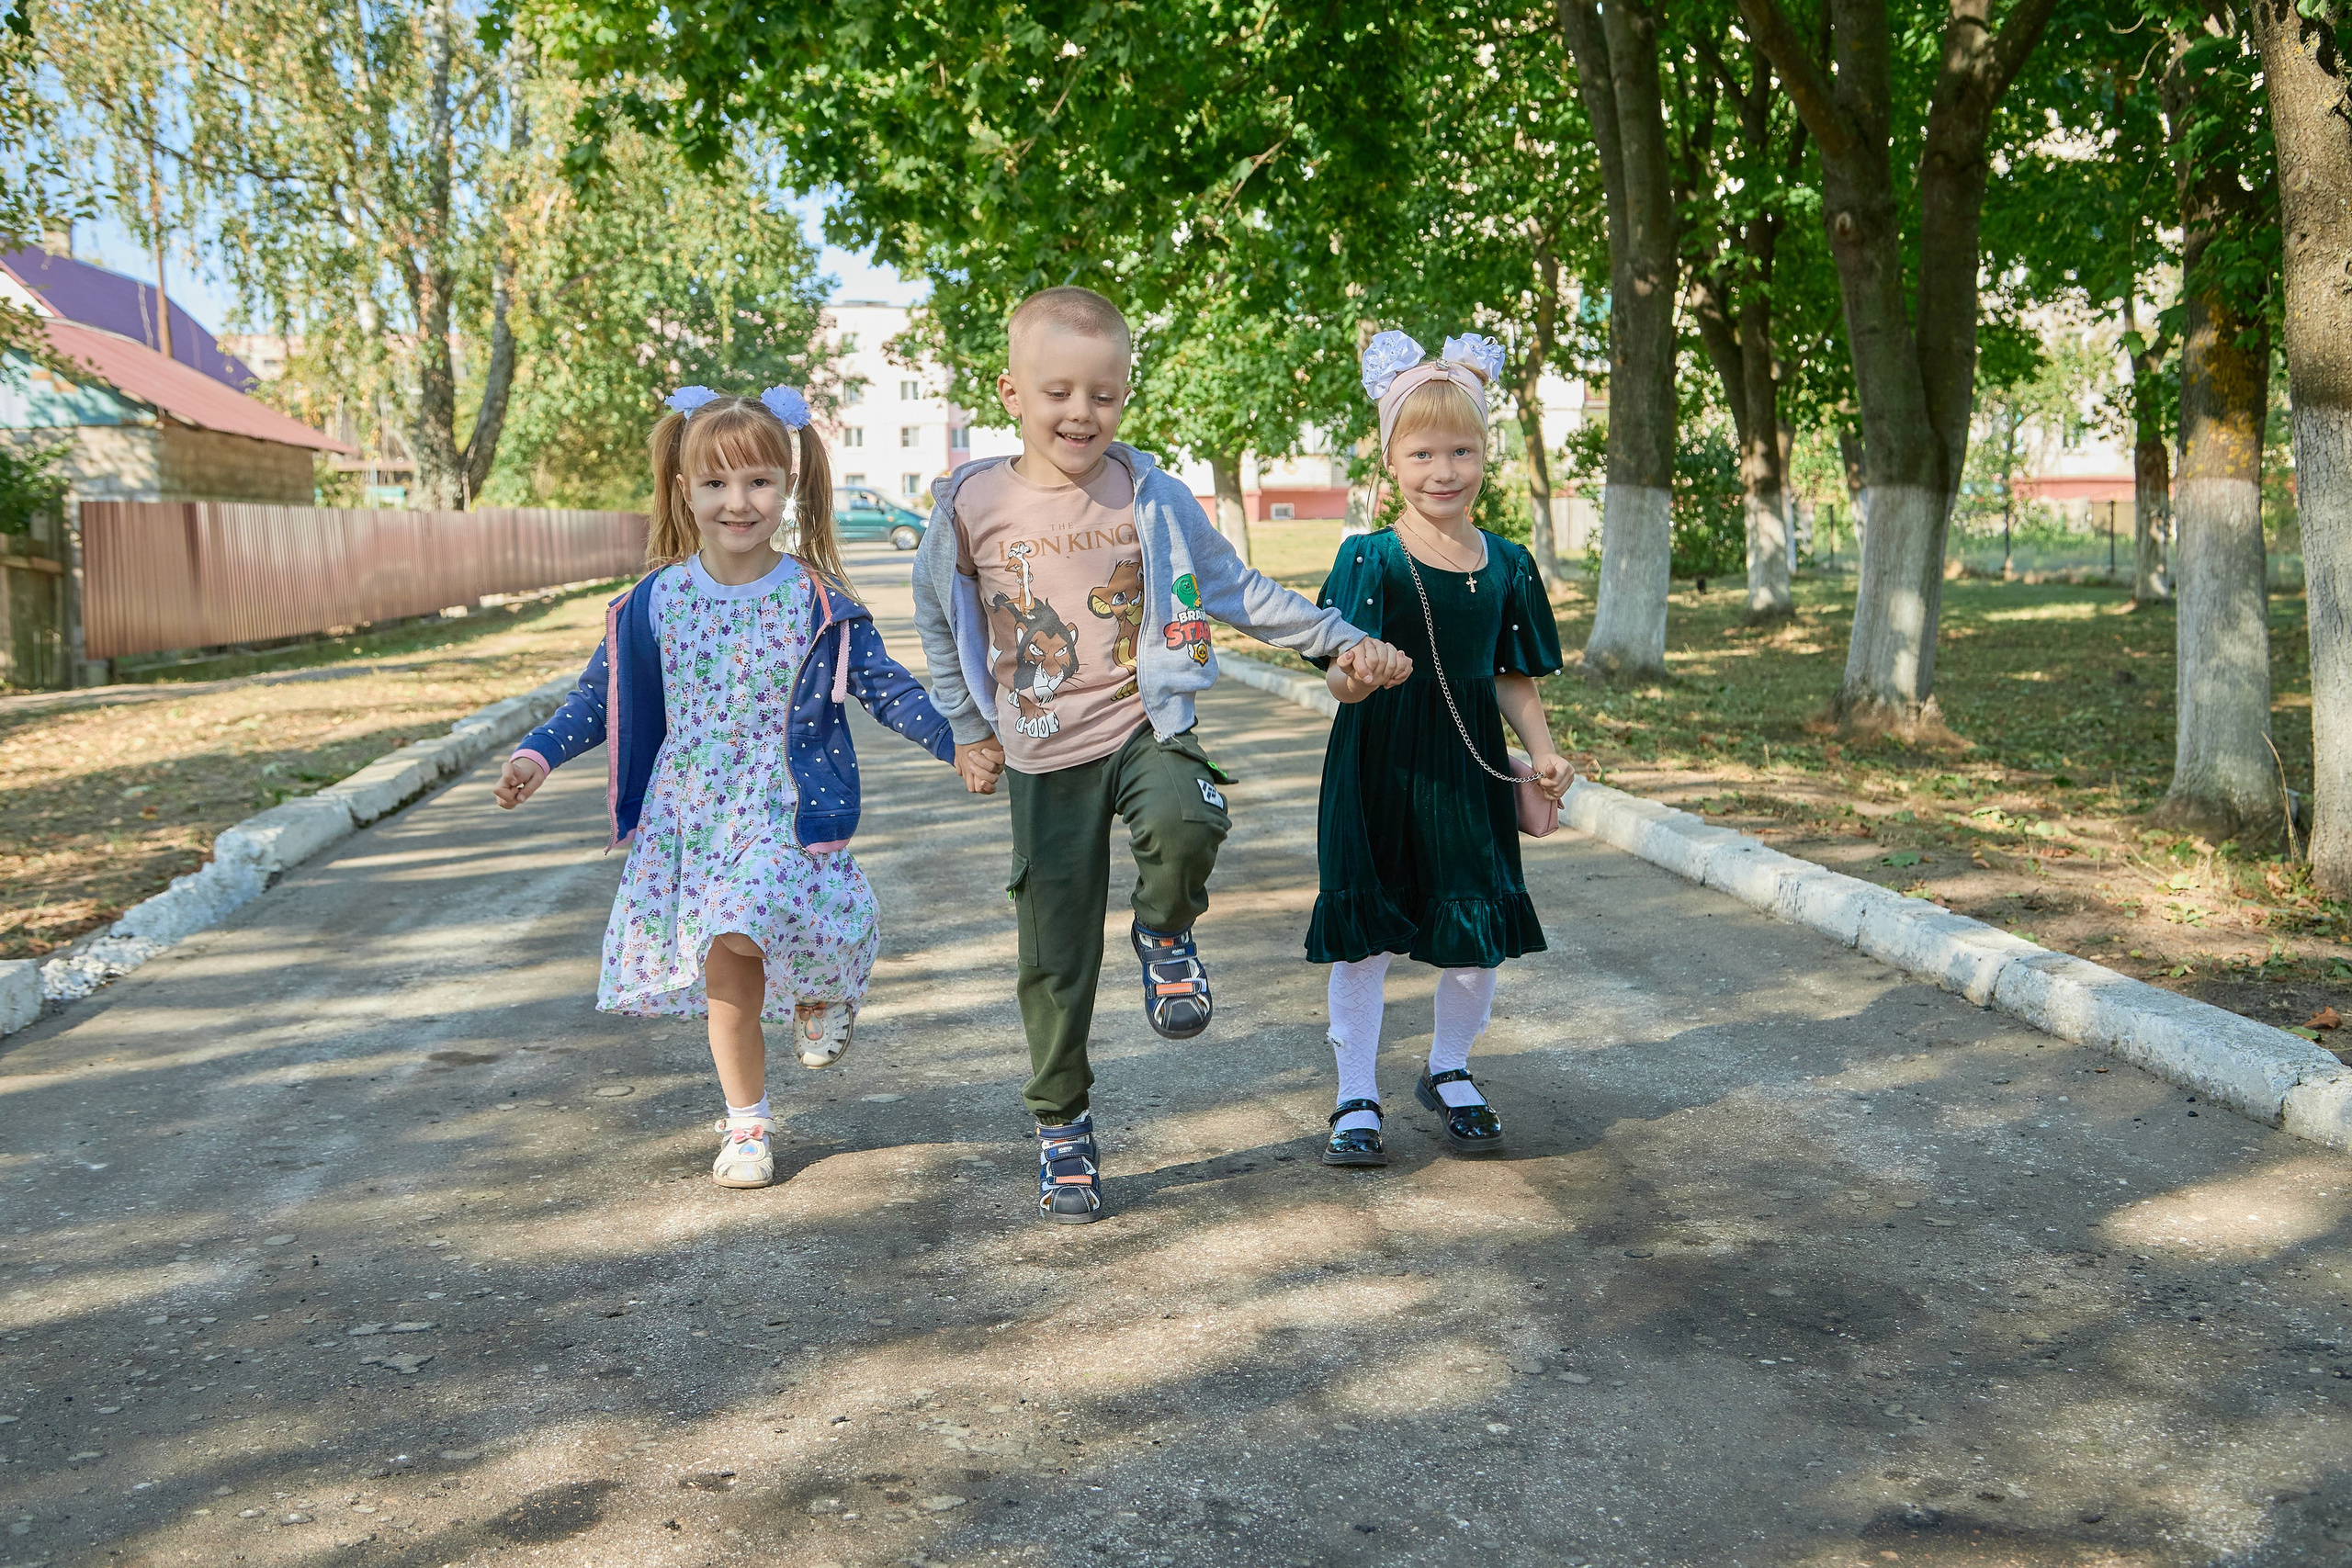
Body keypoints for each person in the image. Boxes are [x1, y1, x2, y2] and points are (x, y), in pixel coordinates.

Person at [910, 286, 1413, 1224]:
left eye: (1104, 394)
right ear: (1009, 391)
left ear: (1125, 394)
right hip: (1038, 757)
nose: (1080, 413)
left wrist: (1337, 640)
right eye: (1057, 391)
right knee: (1053, 959)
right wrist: (965, 729)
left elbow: (1234, 587)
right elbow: (939, 624)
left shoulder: (1152, 494)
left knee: (1188, 819)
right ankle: (1061, 1125)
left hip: (1149, 726)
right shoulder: (969, 502)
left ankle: (1164, 929)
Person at [494, 386, 1006, 1190]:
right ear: (682, 490)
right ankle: (747, 1126)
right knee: (728, 962)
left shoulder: (819, 602)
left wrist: (957, 742)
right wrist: (536, 755)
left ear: (789, 487)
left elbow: (888, 688)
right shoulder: (653, 601)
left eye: (760, 482)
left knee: (751, 918)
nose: (740, 502)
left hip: (787, 806)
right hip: (692, 817)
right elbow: (601, 700)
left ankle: (828, 979)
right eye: (717, 485)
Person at [1308, 332, 1574, 1168]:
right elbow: (1337, 680)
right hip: (1378, 766)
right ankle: (1356, 1089)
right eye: (1422, 452)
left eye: (1462, 449)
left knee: (1476, 924)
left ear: (1484, 454)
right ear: (1391, 460)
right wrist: (1358, 675)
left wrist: (1545, 751)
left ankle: (1450, 1068)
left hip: (1468, 770)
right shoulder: (1370, 559)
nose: (1444, 469)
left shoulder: (1509, 565)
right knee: (1368, 931)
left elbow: (1511, 676)